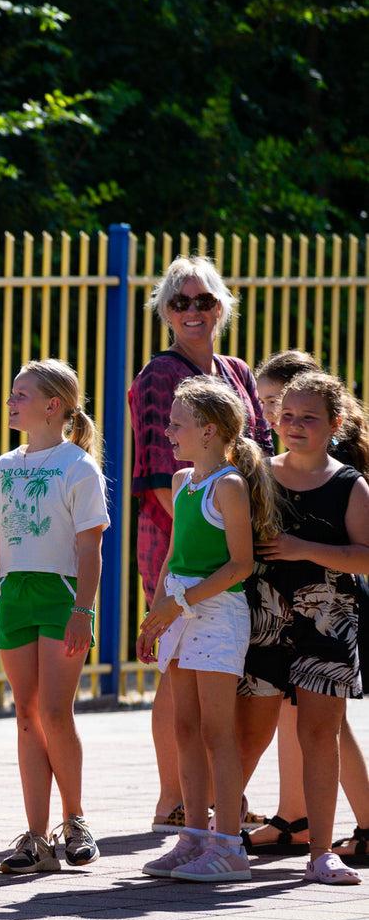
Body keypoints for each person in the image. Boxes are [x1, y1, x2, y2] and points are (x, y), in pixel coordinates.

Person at [129, 255, 273, 833]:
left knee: (216, 675)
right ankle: (176, 800)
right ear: (164, 310)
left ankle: (215, 802)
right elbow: (159, 477)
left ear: (222, 307)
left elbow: (258, 450)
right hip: (178, 543)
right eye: (180, 301)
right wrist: (209, 528)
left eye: (204, 300)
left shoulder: (236, 369)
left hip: (233, 538)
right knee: (179, 674)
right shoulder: (159, 376)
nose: (193, 311)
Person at [0, 359, 109, 874]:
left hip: (60, 594)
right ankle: (34, 836)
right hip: (14, 594)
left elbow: (89, 547)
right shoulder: (3, 466)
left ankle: (75, 821)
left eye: (20, 395)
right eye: (11, 394)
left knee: (55, 711)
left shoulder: (79, 467)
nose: (11, 403)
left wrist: (83, 609)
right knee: (26, 716)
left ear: (53, 406)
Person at [137, 377, 279, 882]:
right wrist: (157, 615)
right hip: (179, 609)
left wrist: (179, 604)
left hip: (219, 615)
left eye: (178, 423)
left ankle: (229, 847)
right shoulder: (182, 482)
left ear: (209, 430)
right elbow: (175, 558)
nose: (168, 430)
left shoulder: (230, 485)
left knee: (218, 732)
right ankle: (193, 838)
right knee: (184, 728)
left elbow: (240, 564)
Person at [239, 372, 369, 884]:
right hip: (262, 618)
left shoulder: (349, 484)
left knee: (320, 734)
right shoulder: (256, 475)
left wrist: (304, 550)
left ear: (335, 424)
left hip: (327, 623)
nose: (294, 425)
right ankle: (213, 837)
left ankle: (320, 853)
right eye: (286, 415)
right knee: (247, 734)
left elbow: (365, 557)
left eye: (308, 418)